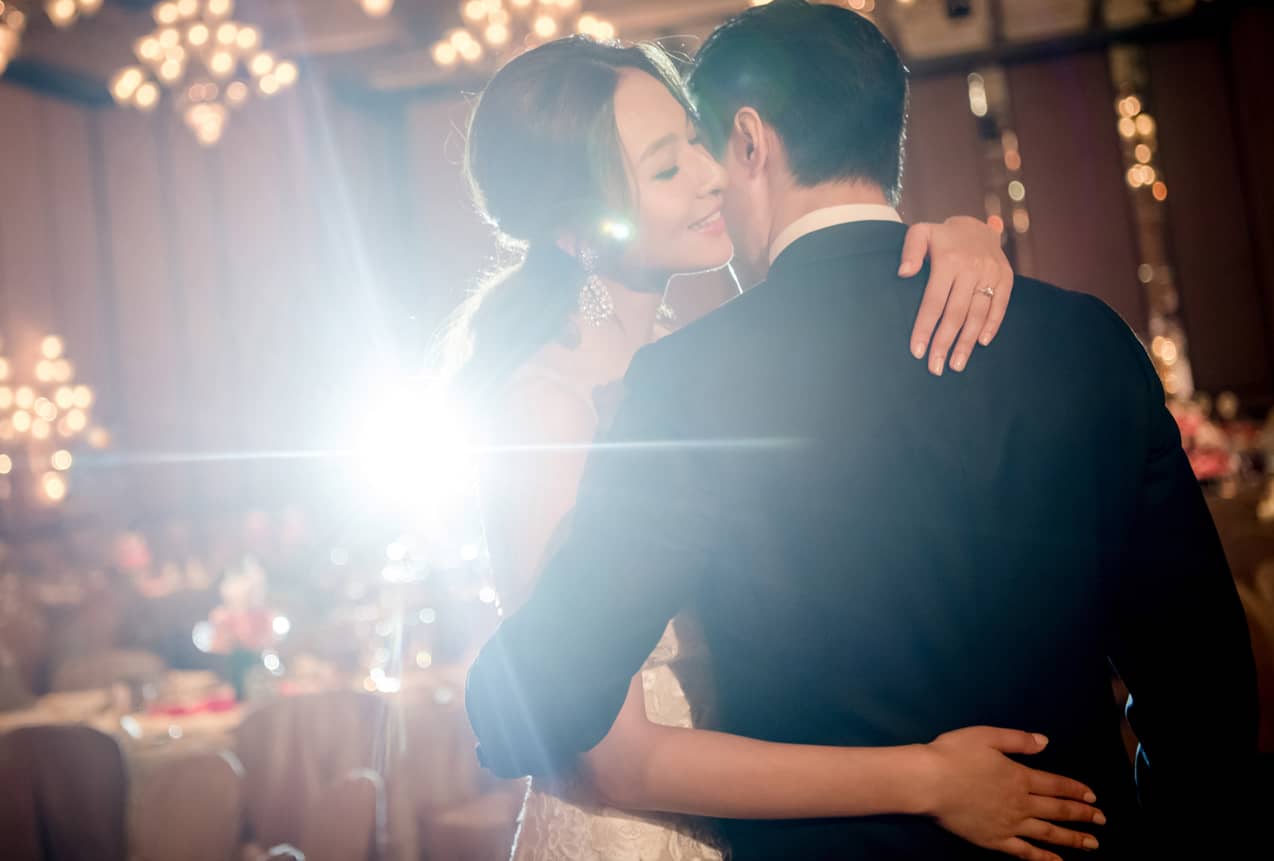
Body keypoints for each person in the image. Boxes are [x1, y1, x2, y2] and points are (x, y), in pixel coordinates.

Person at [464, 3, 1259, 859]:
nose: (705, 179)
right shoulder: (1085, 338)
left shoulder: (687, 379)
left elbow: (532, 703)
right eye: (669, 163)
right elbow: (1205, 691)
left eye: (699, 146)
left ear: (751, 140)